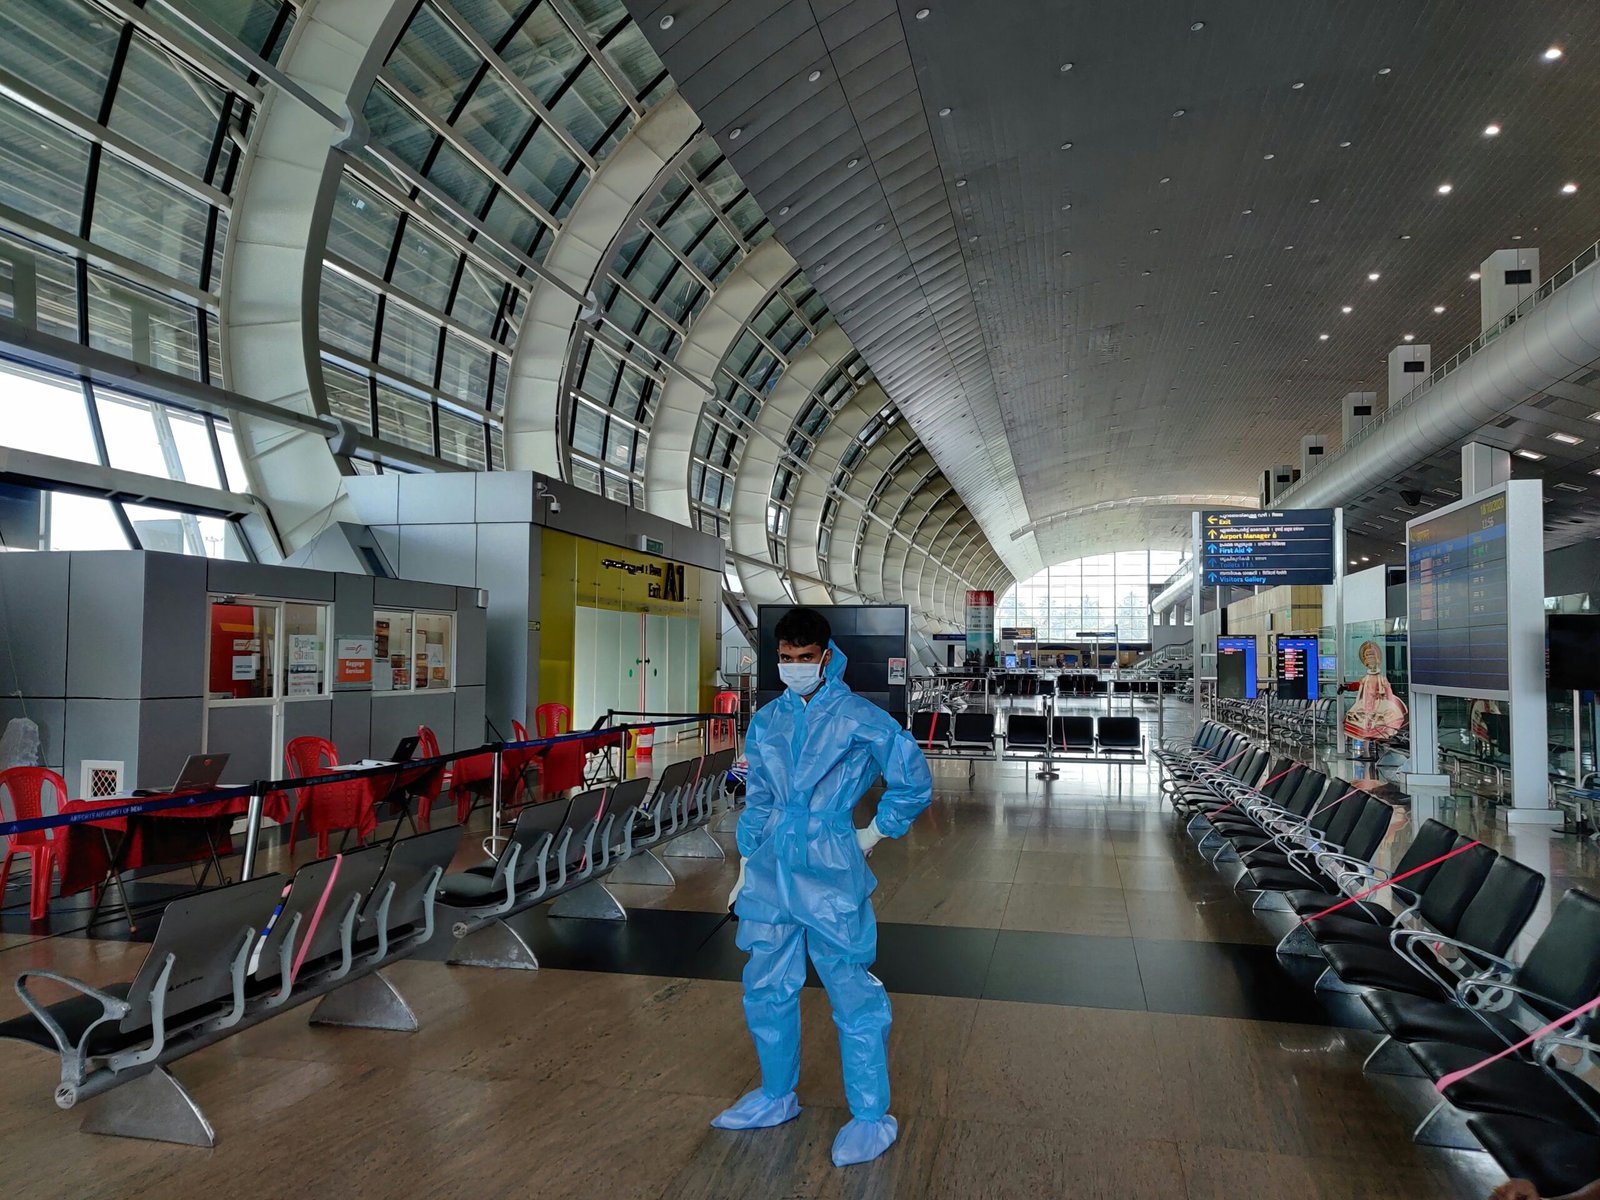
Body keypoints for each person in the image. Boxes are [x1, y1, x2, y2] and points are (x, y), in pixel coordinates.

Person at [712, 607, 933, 1167]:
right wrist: (745, 864)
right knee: (765, 985)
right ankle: (775, 1094)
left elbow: (911, 777)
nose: (793, 668)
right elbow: (759, 797)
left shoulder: (858, 716)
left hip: (831, 864)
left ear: (826, 656)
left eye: (803, 659)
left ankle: (870, 1115)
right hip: (771, 868)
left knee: (850, 990)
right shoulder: (767, 720)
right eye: (785, 659)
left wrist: (873, 833)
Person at [1342, 638, 1407, 741]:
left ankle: (1375, 747)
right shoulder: (1366, 678)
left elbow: (1387, 689)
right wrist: (1347, 687)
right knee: (1363, 727)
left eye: (1372, 655)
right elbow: (1358, 685)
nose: (1370, 658)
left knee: (1378, 724)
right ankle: (1366, 751)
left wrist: (1388, 700)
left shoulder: (1381, 678)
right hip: (1366, 703)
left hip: (1378, 702)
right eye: (1368, 656)